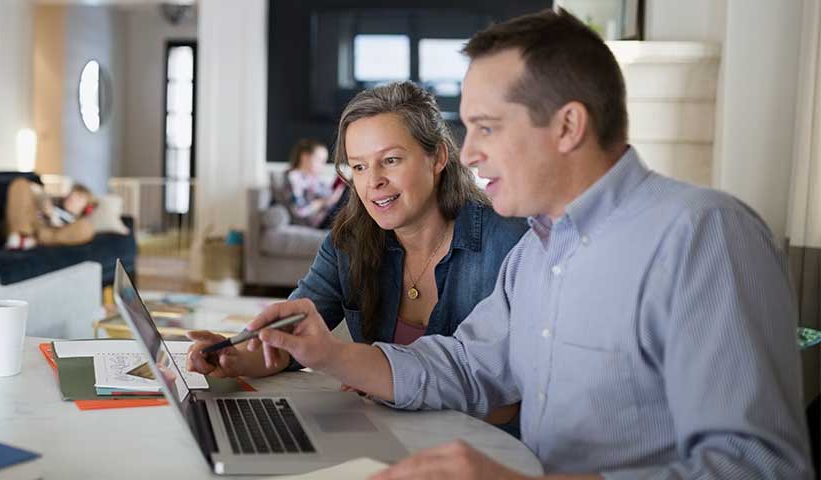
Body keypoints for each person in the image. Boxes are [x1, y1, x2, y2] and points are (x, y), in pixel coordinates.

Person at [239, 9, 813, 479]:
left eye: (488, 127)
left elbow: (759, 467)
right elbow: (468, 365)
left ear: (567, 127)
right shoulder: (539, 252)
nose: (470, 153)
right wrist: (329, 353)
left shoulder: (701, 236)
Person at [187, 81, 528, 430]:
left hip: (482, 447)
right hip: (385, 432)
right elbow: (292, 342)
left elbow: (515, 395)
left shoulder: (511, 243)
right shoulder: (349, 241)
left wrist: (364, 372)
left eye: (391, 160)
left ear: (438, 157)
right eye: (359, 167)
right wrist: (237, 357)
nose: (373, 182)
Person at [4, 177, 96, 249]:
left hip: (51, 233)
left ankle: (28, 239)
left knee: (86, 228)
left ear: (86, 207)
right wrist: (44, 202)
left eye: (79, 198)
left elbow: (65, 231)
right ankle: (22, 236)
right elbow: (34, 190)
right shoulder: (53, 202)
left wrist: (52, 216)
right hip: (31, 224)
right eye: (72, 194)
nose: (72, 198)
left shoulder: (77, 222)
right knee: (20, 183)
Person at [280, 138, 346, 228]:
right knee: (350, 190)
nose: (323, 165)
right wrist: (323, 202)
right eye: (319, 160)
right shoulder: (293, 177)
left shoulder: (315, 179)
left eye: (324, 161)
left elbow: (329, 197)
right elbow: (299, 210)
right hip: (316, 221)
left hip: (330, 214)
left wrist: (336, 192)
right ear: (305, 157)